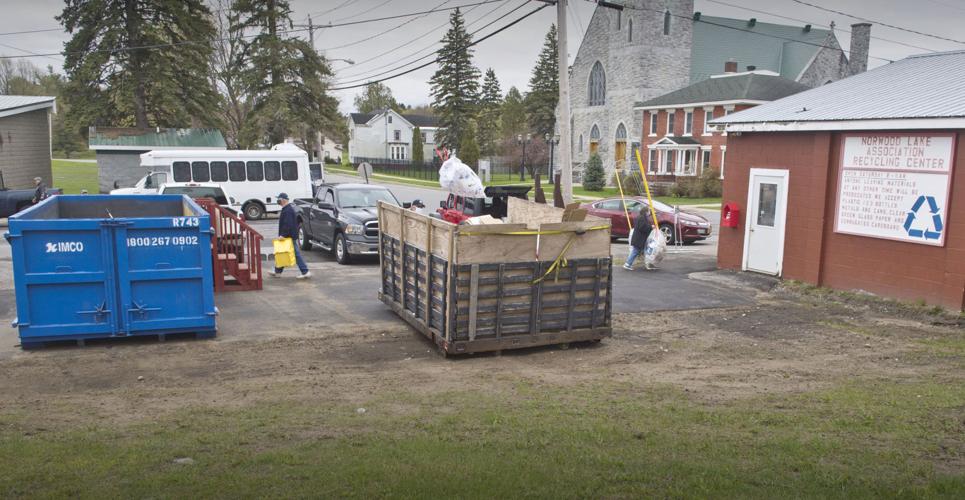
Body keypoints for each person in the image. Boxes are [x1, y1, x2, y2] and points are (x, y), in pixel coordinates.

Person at [270, 193, 311, 279]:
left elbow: (287, 224)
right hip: (288, 236)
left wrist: (283, 235)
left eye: (279, 199)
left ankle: (305, 271)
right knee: (283, 252)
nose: (278, 201)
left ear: (283, 200)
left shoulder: (287, 210)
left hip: (288, 236)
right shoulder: (287, 209)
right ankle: (277, 271)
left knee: (294, 254)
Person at [624, 206, 654, 271]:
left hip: (639, 238)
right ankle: (627, 264)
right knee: (635, 251)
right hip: (639, 239)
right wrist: (651, 227)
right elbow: (642, 227)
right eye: (649, 211)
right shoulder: (642, 218)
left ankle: (647, 263)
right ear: (646, 212)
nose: (649, 212)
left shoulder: (641, 217)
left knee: (640, 251)